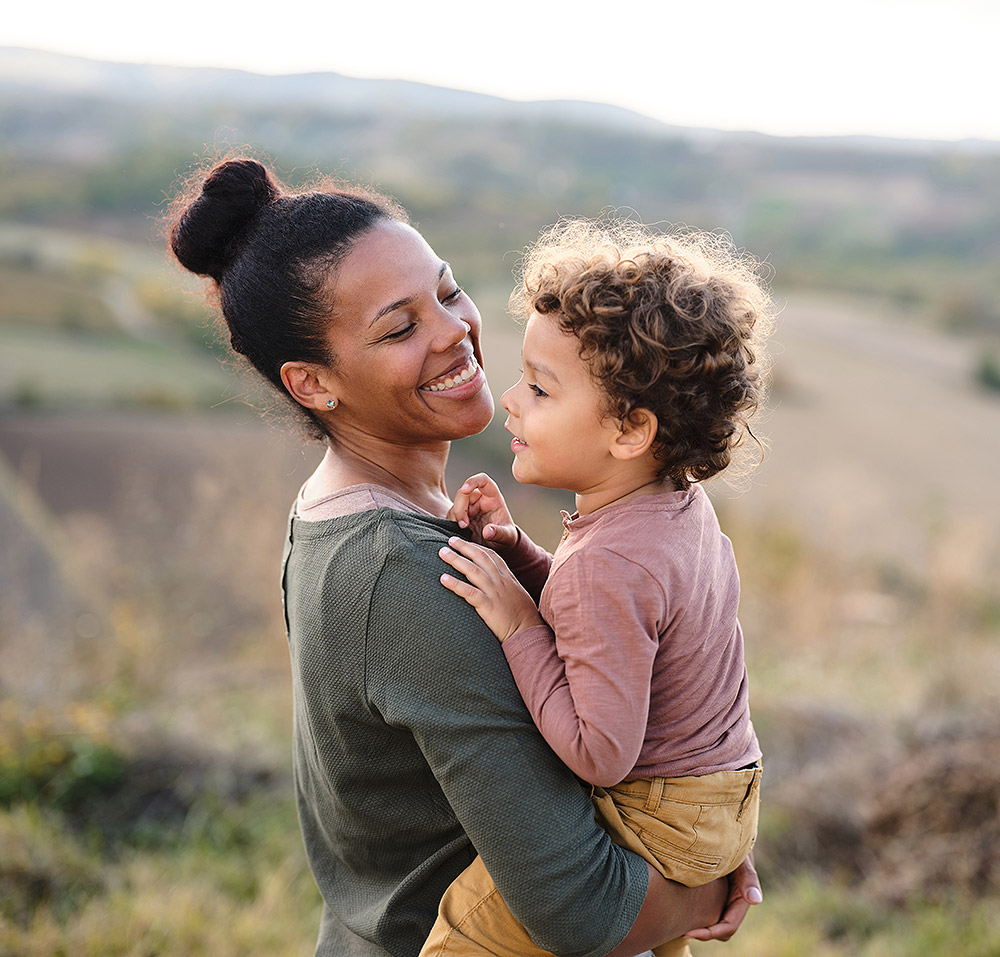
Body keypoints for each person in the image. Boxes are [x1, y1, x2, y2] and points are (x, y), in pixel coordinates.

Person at [167, 157, 762, 957]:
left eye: (446, 291)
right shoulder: (401, 572)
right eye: (399, 326)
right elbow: (582, 912)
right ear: (313, 383)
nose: (454, 330)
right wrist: (700, 885)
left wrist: (697, 829)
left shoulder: (354, 515)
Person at [433, 217, 773, 957]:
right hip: (719, 801)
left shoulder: (609, 565)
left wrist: (519, 623)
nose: (511, 400)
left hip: (661, 813)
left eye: (540, 388)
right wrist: (521, 554)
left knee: (463, 931)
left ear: (629, 430)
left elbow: (599, 752)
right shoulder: (672, 505)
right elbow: (614, 638)